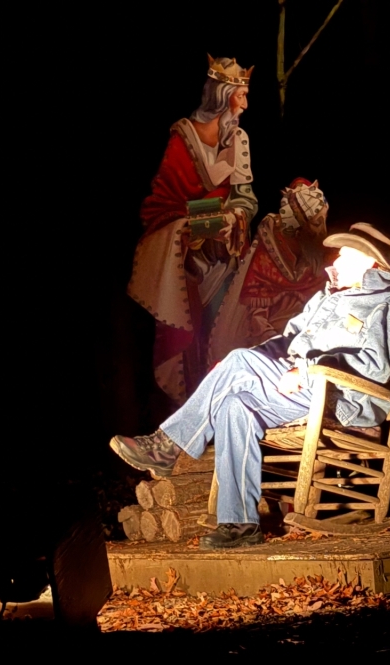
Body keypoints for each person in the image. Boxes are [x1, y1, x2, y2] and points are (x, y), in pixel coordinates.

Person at [111, 223, 390, 549]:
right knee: (235, 405)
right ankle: (240, 525)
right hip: (301, 392)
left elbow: (377, 365)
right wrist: (236, 368)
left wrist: (308, 370)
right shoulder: (325, 300)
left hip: (342, 397)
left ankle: (168, 446)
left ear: (371, 262)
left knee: (239, 362)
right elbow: (286, 342)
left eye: (346, 254)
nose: (336, 260)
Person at [128, 55, 258, 404]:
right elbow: (160, 206)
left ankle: (223, 408)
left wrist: (235, 218)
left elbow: (246, 199)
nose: (244, 103)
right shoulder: (182, 137)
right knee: (190, 339)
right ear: (222, 93)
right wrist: (208, 219)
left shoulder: (240, 139)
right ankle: (189, 418)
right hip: (187, 260)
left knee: (224, 336)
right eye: (240, 94)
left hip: (228, 256)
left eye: (247, 94)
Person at [208, 178, 332, 362]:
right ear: (299, 224)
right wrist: (276, 344)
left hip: (305, 340)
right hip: (269, 342)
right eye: (316, 223)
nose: (321, 231)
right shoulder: (271, 246)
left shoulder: (316, 253)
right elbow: (257, 315)